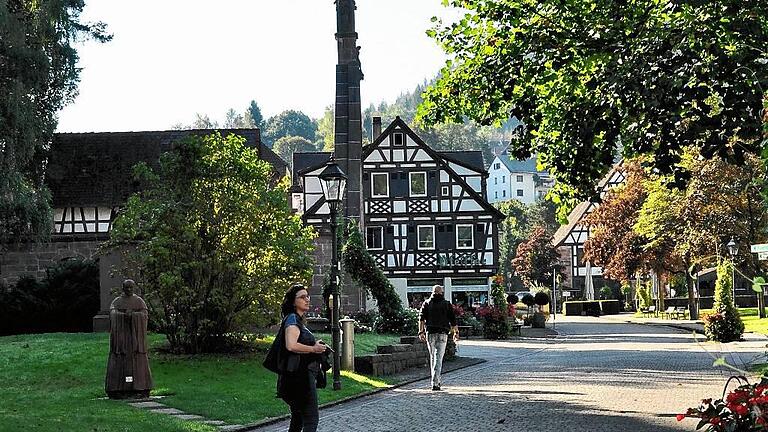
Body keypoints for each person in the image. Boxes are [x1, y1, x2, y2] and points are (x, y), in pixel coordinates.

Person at [277, 284, 328, 432]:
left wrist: (315, 345)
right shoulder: (292, 319)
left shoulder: (296, 320)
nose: (307, 299)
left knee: (298, 418)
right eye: (302, 297)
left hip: (297, 376)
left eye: (308, 296)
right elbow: (291, 345)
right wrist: (313, 348)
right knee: (311, 420)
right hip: (300, 377)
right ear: (293, 302)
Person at [105, 279, 153, 399]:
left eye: (131, 288)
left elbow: (144, 315)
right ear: (123, 288)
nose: (129, 290)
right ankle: (119, 389)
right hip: (122, 341)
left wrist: (134, 316)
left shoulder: (139, 301)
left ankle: (140, 388)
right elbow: (112, 314)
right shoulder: (117, 302)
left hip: (135, 340)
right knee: (119, 361)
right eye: (127, 288)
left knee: (138, 362)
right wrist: (123, 316)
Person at [418, 284, 458, 391]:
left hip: (430, 333)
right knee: (438, 358)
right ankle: (436, 382)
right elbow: (453, 320)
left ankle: (435, 381)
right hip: (442, 333)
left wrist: (420, 332)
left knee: (433, 357)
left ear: (432, 292)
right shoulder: (446, 304)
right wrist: (456, 332)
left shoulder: (427, 303)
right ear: (441, 293)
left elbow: (421, 318)